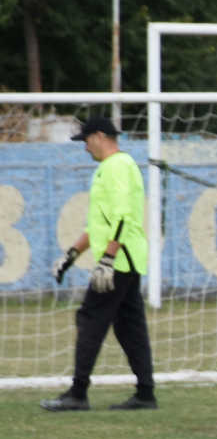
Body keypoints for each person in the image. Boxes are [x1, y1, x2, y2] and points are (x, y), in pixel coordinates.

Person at [40, 117, 154, 412]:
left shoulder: (117, 166)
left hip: (118, 261)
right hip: (125, 260)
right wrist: (70, 256)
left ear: (100, 136)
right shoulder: (112, 167)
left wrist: (108, 258)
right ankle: (145, 394)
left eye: (86, 140)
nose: (85, 147)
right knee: (129, 326)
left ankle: (78, 393)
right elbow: (98, 227)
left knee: (90, 319)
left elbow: (122, 216)